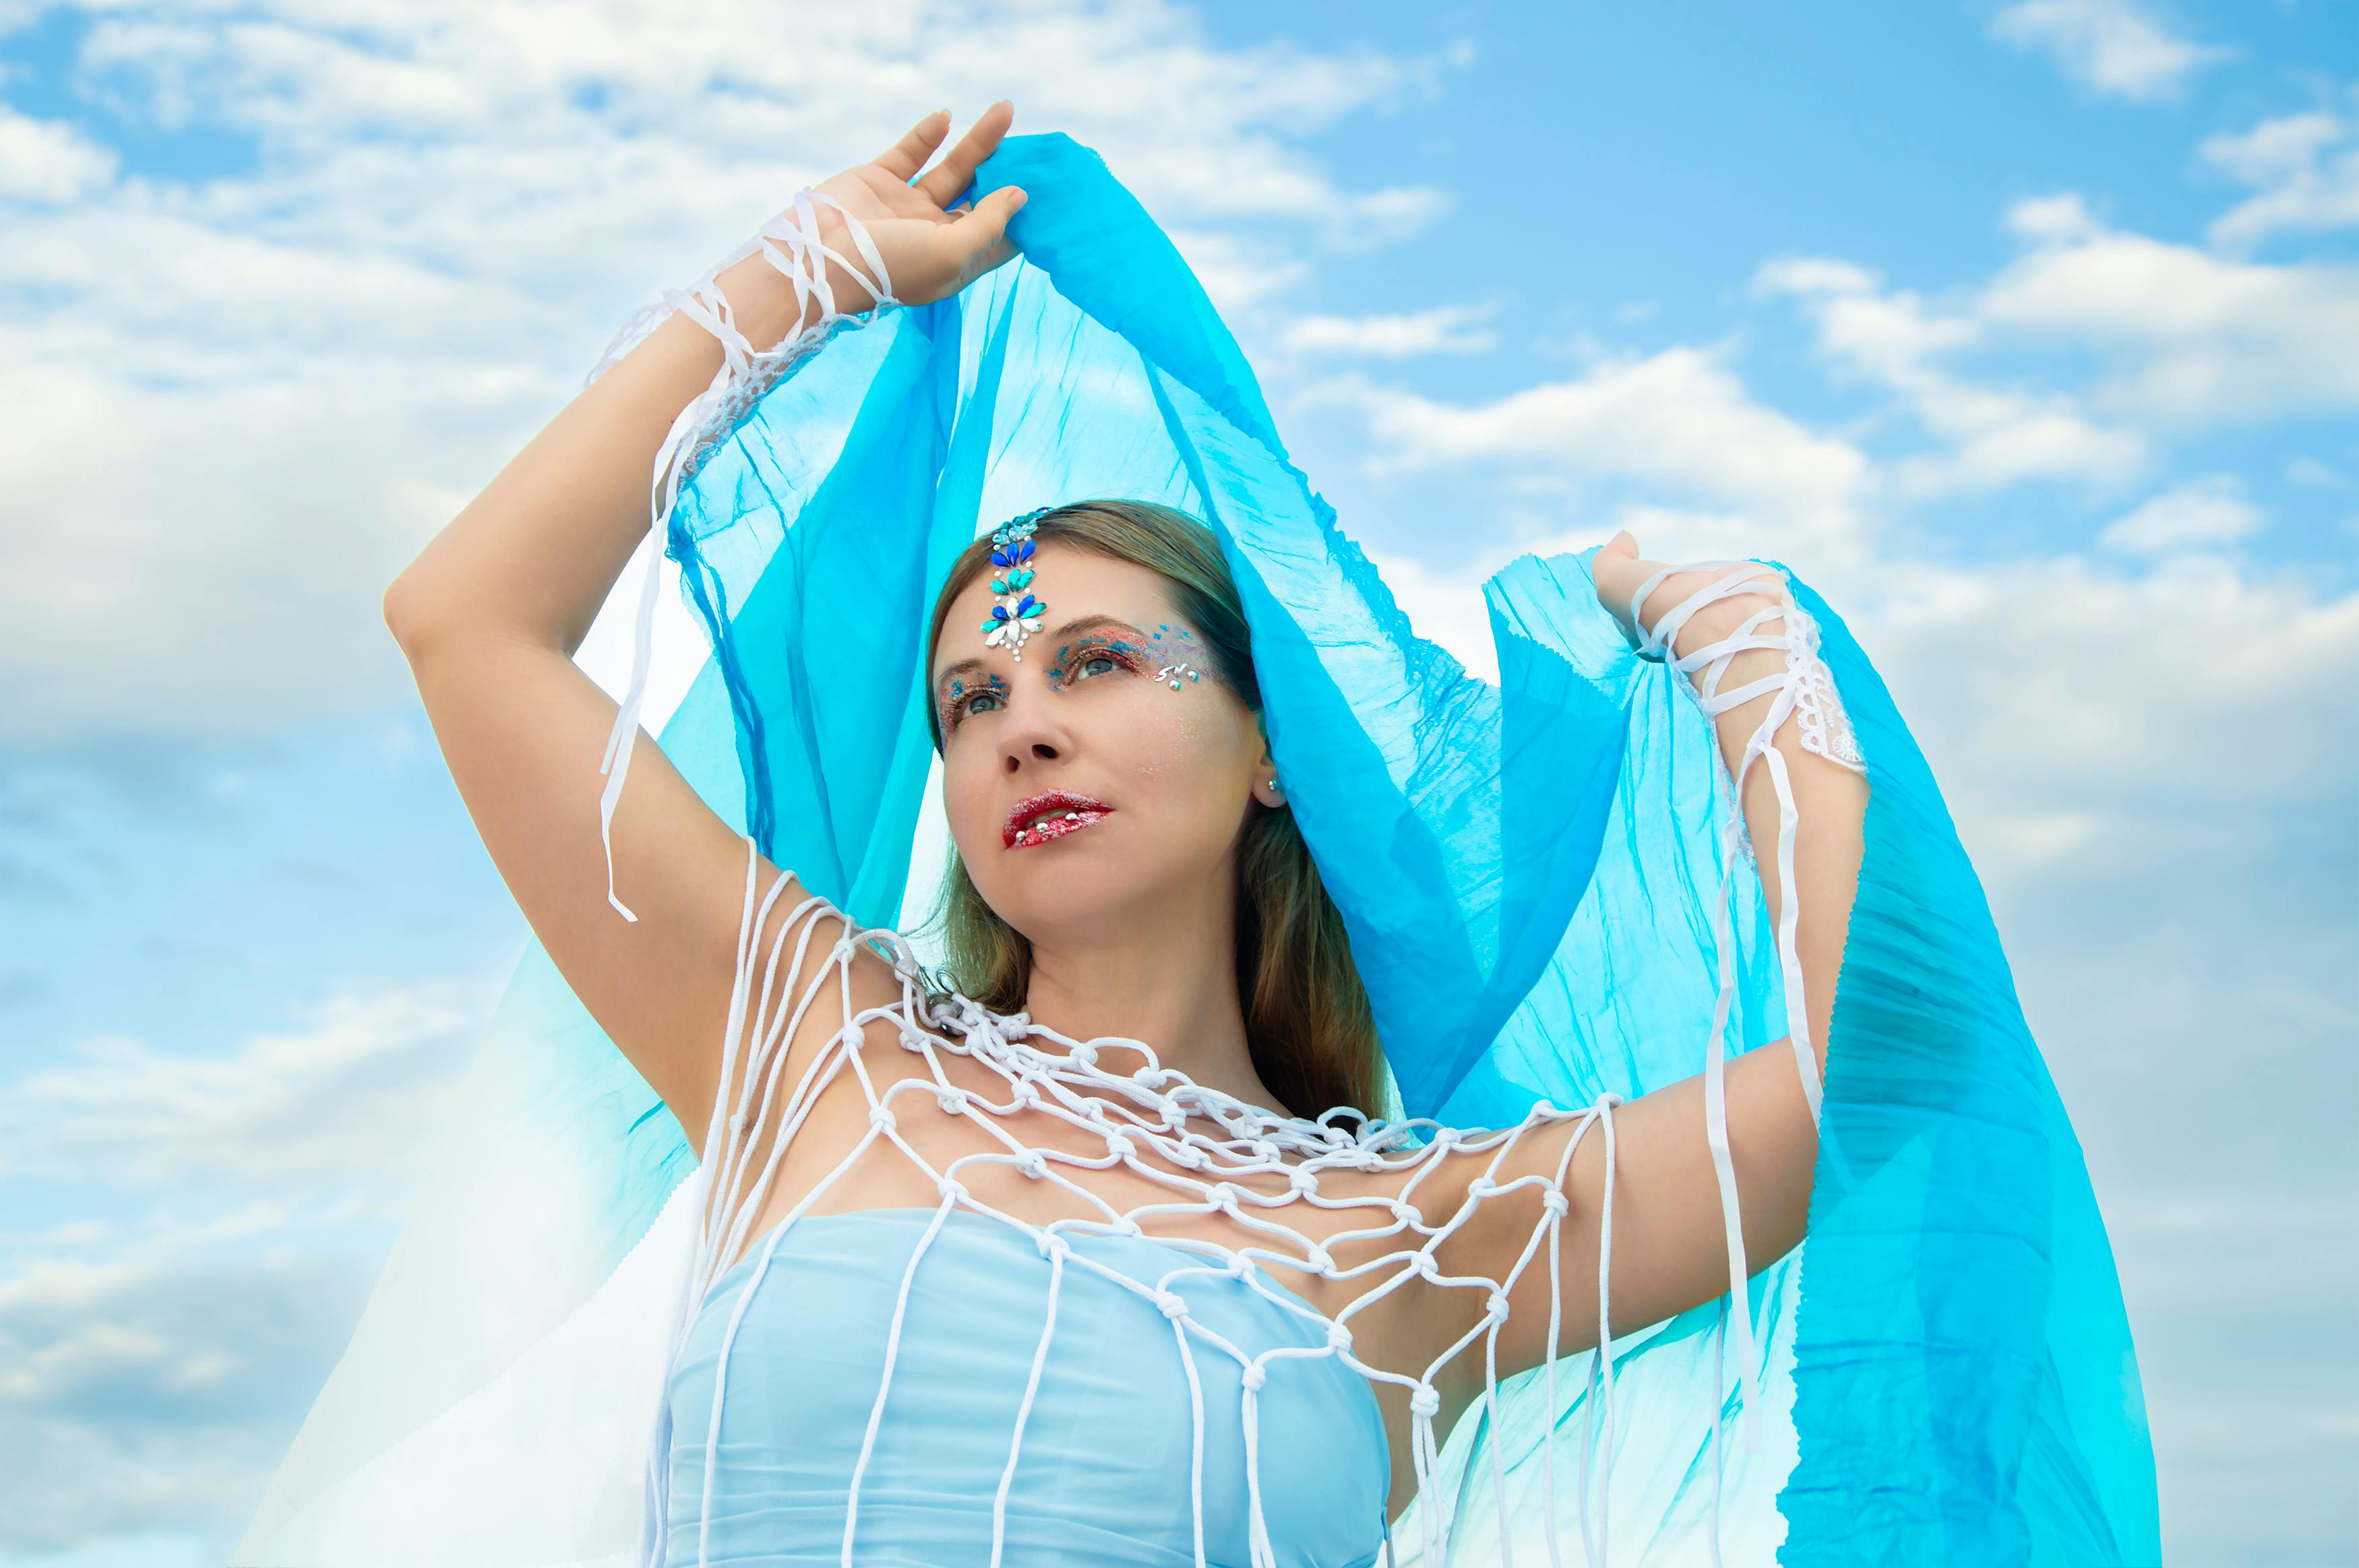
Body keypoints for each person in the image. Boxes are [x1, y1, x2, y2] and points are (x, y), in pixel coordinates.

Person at [233, 106, 2159, 1567]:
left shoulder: (1429, 1231)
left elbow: (1874, 1069)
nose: (1021, 723)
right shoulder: (810, 1050)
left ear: (1264, 749)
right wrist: (790, 280)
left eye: (1094, 661)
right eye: (971, 703)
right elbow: (464, 622)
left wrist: (1726, 628)